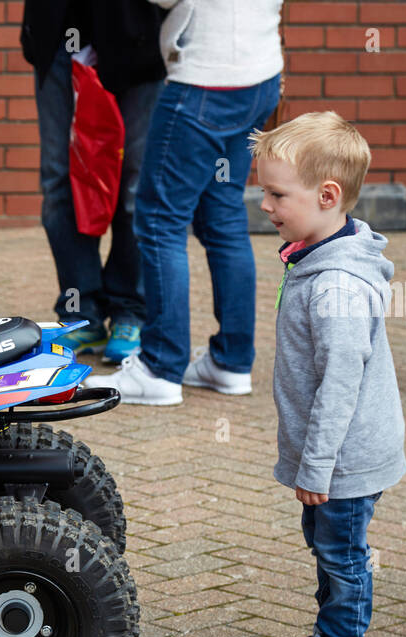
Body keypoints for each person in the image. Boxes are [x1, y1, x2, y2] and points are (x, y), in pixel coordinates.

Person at [251, 112, 406, 637]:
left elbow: (340, 385)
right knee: (326, 546)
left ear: (327, 195)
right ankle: (329, 636)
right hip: (328, 456)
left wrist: (316, 465)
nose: (265, 204)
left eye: (276, 194)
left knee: (343, 557)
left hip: (343, 456)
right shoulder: (313, 256)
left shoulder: (336, 284)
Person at [87, 0, 283, 404]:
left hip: (205, 79)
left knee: (160, 222)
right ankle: (231, 363)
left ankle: (160, 368)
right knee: (224, 214)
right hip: (259, 71)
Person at [22, 1, 165, 364]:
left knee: (134, 184)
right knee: (60, 179)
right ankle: (79, 311)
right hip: (56, 35)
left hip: (138, 37)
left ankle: (128, 311)